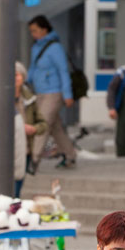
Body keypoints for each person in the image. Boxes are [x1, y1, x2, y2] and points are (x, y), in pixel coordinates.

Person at [27, 15, 77, 170]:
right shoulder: (36, 47)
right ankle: (70, 155)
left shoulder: (55, 48)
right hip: (40, 92)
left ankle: (33, 160)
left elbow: (63, 71)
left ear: (44, 29)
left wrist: (67, 94)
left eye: (35, 31)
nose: (33, 34)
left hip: (54, 92)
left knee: (42, 125)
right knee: (55, 128)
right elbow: (33, 68)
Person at [14, 62, 48, 177]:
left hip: (25, 150)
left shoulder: (29, 98)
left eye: (17, 75)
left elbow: (43, 124)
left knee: (17, 187)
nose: (15, 78)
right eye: (12, 75)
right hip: (8, 151)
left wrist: (33, 129)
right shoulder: (1, 97)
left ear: (23, 77)